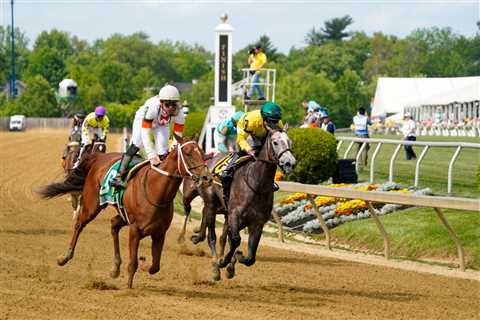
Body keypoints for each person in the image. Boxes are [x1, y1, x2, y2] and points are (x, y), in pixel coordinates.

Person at [110, 84, 184, 188]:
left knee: (163, 151)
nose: (171, 108)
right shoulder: (153, 107)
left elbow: (178, 138)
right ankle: (118, 176)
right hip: (143, 118)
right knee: (136, 144)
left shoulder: (180, 113)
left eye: (174, 105)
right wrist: (151, 155)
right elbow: (145, 134)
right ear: (161, 102)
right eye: (167, 104)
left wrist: (171, 150)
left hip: (161, 123)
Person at [218, 102, 283, 202]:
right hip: (248, 133)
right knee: (246, 151)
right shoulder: (250, 120)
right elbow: (241, 139)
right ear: (263, 118)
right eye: (270, 122)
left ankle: (270, 181)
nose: (273, 125)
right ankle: (227, 171)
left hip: (262, 134)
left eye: (275, 122)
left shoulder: (278, 123)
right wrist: (248, 149)